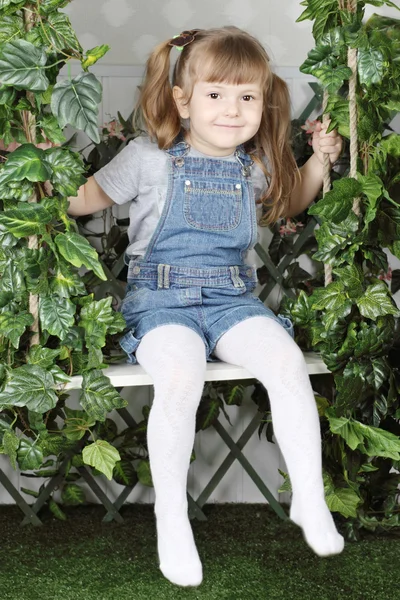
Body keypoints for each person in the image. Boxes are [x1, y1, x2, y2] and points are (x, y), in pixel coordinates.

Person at [68, 26, 344, 588]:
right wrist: (38, 174)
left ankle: (310, 500)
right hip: (160, 299)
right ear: (183, 100)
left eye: (246, 97)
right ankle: (172, 519)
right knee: (180, 372)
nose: (231, 110)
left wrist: (318, 163)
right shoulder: (149, 157)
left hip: (230, 298)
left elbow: (287, 203)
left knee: (287, 364)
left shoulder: (255, 165)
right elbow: (84, 199)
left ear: (261, 104)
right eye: (215, 95)